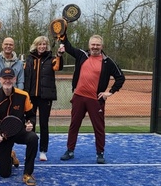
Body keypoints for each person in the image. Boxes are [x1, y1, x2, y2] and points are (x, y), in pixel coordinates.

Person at [60, 34, 125, 164]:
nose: (95, 47)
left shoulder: (108, 61)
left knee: (99, 127)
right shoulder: (82, 55)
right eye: (93, 44)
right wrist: (63, 34)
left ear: (102, 46)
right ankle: (70, 150)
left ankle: (100, 153)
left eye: (98, 45)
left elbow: (120, 77)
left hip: (95, 100)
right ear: (89, 45)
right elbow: (68, 46)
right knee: (74, 125)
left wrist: (110, 92)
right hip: (78, 97)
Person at [0, 67, 39, 186]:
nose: (7, 81)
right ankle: (11, 156)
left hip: (18, 132)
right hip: (0, 136)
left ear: (14, 79)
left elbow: (31, 116)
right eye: (4, 78)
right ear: (0, 79)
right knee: (4, 174)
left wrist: (30, 123)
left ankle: (28, 173)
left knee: (33, 137)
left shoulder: (23, 96)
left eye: (10, 78)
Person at [24, 36, 64, 161]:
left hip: (45, 97)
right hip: (30, 96)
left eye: (44, 44)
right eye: (39, 44)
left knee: (44, 124)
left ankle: (43, 151)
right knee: (30, 124)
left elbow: (58, 67)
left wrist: (59, 55)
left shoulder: (51, 59)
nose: (42, 46)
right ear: (35, 45)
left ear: (47, 46)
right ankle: (30, 151)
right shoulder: (29, 59)